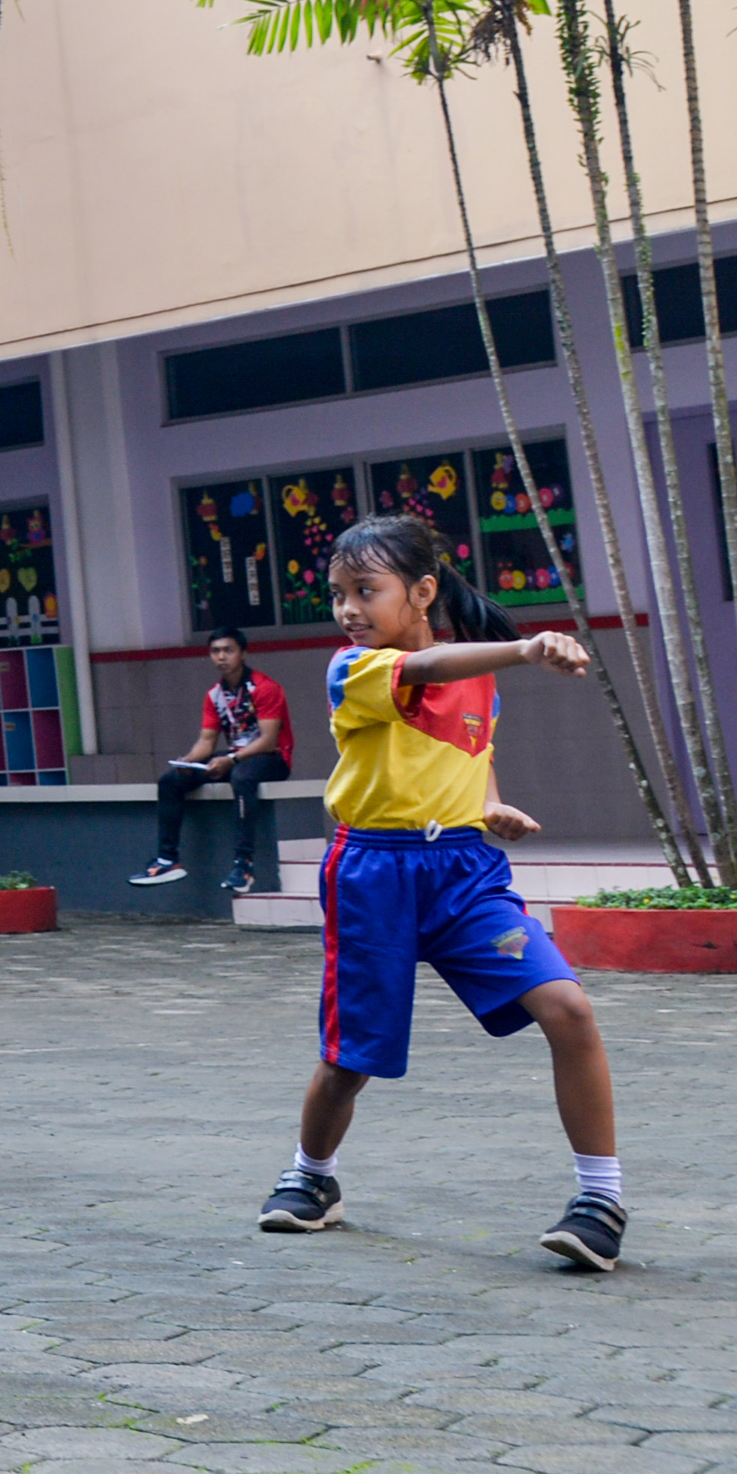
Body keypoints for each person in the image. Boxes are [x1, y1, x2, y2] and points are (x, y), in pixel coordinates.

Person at [258, 513, 625, 1269]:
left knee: (569, 1007)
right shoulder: (352, 668)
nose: (349, 609)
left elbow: (469, 750)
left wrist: (489, 803)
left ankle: (600, 1200)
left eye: (367, 590)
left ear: (422, 592)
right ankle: (312, 1178)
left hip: (465, 875)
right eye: (338, 594)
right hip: (372, 877)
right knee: (349, 1059)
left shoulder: (476, 678)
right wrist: (529, 647)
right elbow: (429, 674)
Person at [140, 630, 294, 891]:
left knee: (242, 777)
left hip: (272, 758)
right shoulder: (214, 695)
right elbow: (206, 742)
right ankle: (168, 860)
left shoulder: (264, 688)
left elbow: (268, 740)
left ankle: (243, 865)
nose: (221, 657)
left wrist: (231, 759)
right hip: (237, 758)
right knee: (170, 781)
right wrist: (187, 763)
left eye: (228, 650)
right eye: (215, 651)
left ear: (243, 653)